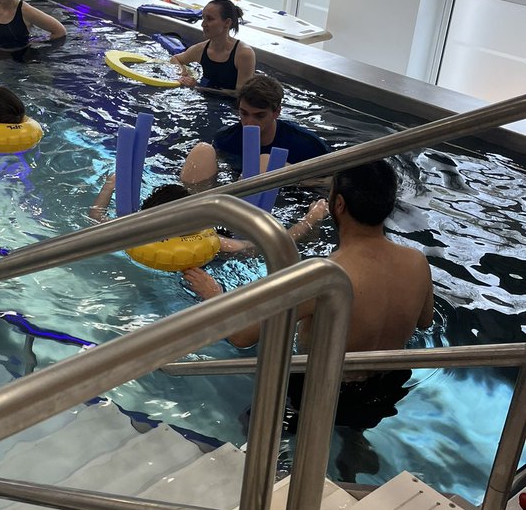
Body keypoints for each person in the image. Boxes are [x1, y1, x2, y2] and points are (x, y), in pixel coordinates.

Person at [185, 160, 434, 431]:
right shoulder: (416, 262)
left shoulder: (324, 275)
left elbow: (242, 336)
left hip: (321, 390)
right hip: (388, 387)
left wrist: (214, 295)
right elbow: (424, 322)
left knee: (254, 427)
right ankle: (355, 449)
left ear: (338, 204)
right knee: (354, 425)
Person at [89, 173, 328, 254]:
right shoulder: (143, 231)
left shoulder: (212, 240)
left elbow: (261, 245)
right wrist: (110, 186)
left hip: (222, 233)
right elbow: (97, 219)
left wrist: (309, 220)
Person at [180, 73, 329, 189]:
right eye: (244, 113)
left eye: (259, 115)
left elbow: (334, 181)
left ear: (276, 113)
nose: (249, 122)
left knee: (265, 162)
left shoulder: (307, 145)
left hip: (285, 195)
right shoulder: (226, 138)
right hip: (238, 193)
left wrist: (294, 177)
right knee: (202, 151)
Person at [170, 0, 255, 95]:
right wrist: (184, 74)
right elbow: (175, 59)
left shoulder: (243, 54)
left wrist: (197, 87)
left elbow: (240, 95)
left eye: (209, 19)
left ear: (227, 23)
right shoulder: (200, 50)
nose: (203, 24)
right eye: (203, 18)